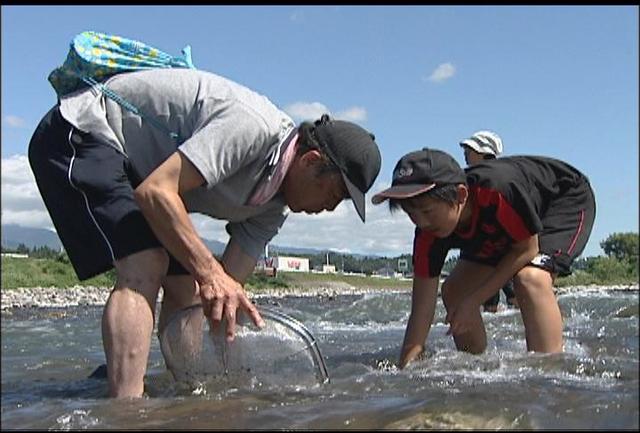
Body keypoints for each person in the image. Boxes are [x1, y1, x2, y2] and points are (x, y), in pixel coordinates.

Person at [28, 68, 382, 398]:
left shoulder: (272, 210)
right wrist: (210, 273)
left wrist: (226, 383)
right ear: (310, 161)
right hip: (83, 130)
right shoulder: (251, 128)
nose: (331, 209)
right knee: (146, 263)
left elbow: (223, 293)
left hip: (140, 172)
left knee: (187, 289)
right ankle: (126, 411)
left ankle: (182, 390)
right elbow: (156, 192)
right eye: (335, 196)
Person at [371, 148, 595, 368]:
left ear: (460, 195)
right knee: (455, 290)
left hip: (562, 200)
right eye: (411, 214)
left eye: (427, 212)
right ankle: (476, 368)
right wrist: (405, 371)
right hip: (500, 223)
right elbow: (420, 310)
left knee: (530, 278)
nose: (421, 223)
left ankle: (548, 376)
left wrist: (474, 301)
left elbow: (526, 248)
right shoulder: (426, 233)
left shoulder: (497, 189)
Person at [459, 130, 517, 312]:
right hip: (497, 242)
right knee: (509, 291)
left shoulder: (489, 177)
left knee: (504, 290)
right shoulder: (497, 174)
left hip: (494, 241)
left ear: (482, 152)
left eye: (469, 149)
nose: (465, 153)